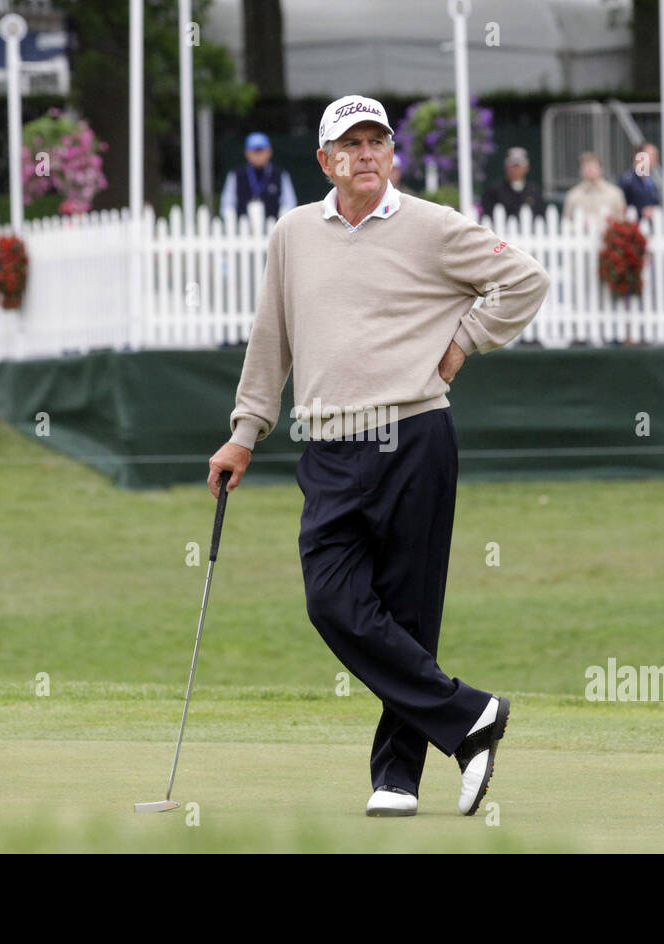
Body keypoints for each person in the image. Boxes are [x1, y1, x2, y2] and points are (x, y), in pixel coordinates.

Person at [206, 94, 550, 819]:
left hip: (414, 437)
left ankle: (397, 777)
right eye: (350, 144)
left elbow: (524, 279)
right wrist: (246, 429)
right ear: (326, 160)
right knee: (332, 601)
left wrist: (461, 345)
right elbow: (272, 337)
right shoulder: (294, 234)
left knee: (408, 610)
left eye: (377, 141)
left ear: (391, 154)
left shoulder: (431, 225)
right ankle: (470, 716)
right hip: (328, 446)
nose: (366, 153)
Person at [219, 132, 297, 221]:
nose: (258, 155)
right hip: (242, 229)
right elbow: (227, 204)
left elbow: (289, 203)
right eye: (255, 151)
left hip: (273, 227)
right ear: (247, 153)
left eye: (261, 151)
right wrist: (231, 220)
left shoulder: (280, 175)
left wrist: (282, 220)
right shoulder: (235, 175)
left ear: (269, 152)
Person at [562, 152, 626, 227]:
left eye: (592, 166)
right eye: (585, 167)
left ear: (600, 168)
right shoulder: (573, 195)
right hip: (581, 236)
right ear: (581, 170)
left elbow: (623, 219)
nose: (589, 170)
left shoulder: (615, 193)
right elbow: (566, 221)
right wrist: (579, 225)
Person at [481, 147, 545, 219]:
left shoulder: (533, 190)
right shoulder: (495, 190)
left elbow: (541, 214)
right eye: (513, 166)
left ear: (526, 168)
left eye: (519, 166)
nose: (515, 170)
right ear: (506, 167)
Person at [618, 142, 660, 219]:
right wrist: (641, 211)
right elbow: (621, 207)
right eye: (651, 155)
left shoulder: (653, 181)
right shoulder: (627, 181)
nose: (655, 158)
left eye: (655, 155)